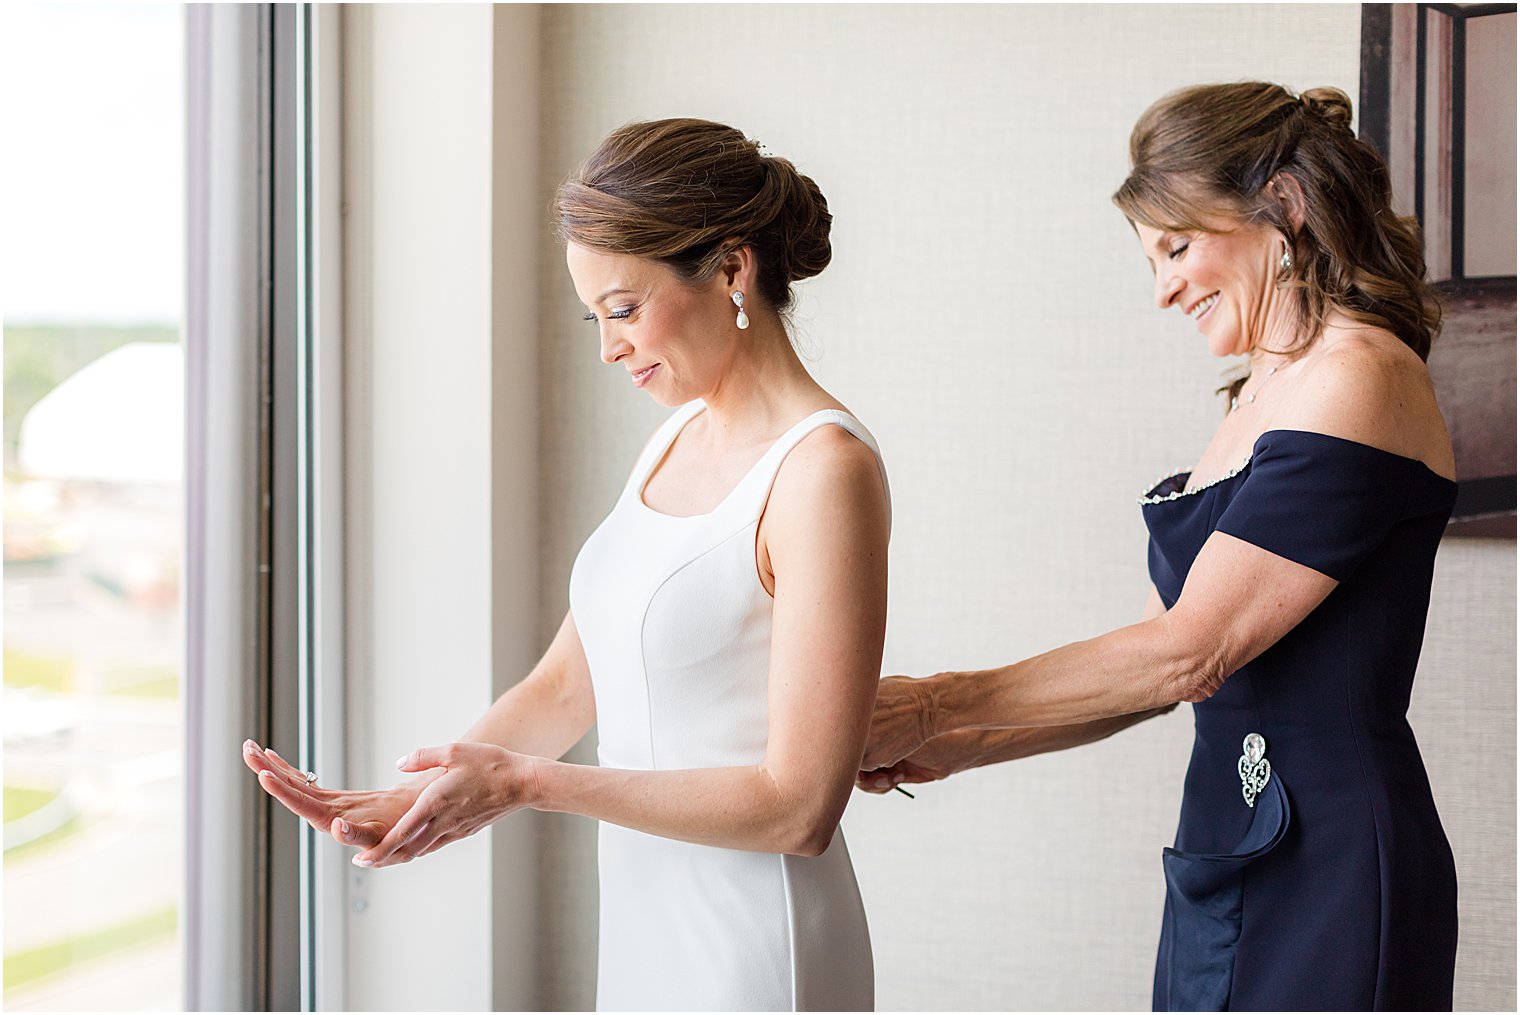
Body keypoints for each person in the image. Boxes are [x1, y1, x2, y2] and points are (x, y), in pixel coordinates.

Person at [245, 118, 889, 1012]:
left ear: (733, 271)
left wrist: (523, 784)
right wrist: (421, 798)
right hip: (644, 926)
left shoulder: (824, 470)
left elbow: (799, 808)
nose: (608, 347)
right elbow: (563, 689)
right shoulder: (673, 439)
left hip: (755, 949)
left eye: (623, 309)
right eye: (594, 317)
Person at [858, 82, 1458, 1011]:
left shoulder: (1361, 374)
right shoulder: (1259, 395)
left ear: (1285, 209)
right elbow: (1151, 662)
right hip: (1224, 838)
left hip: (1335, 858)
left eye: (1177, 247)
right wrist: (969, 743)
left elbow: (1188, 653)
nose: (1163, 288)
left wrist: (933, 704)